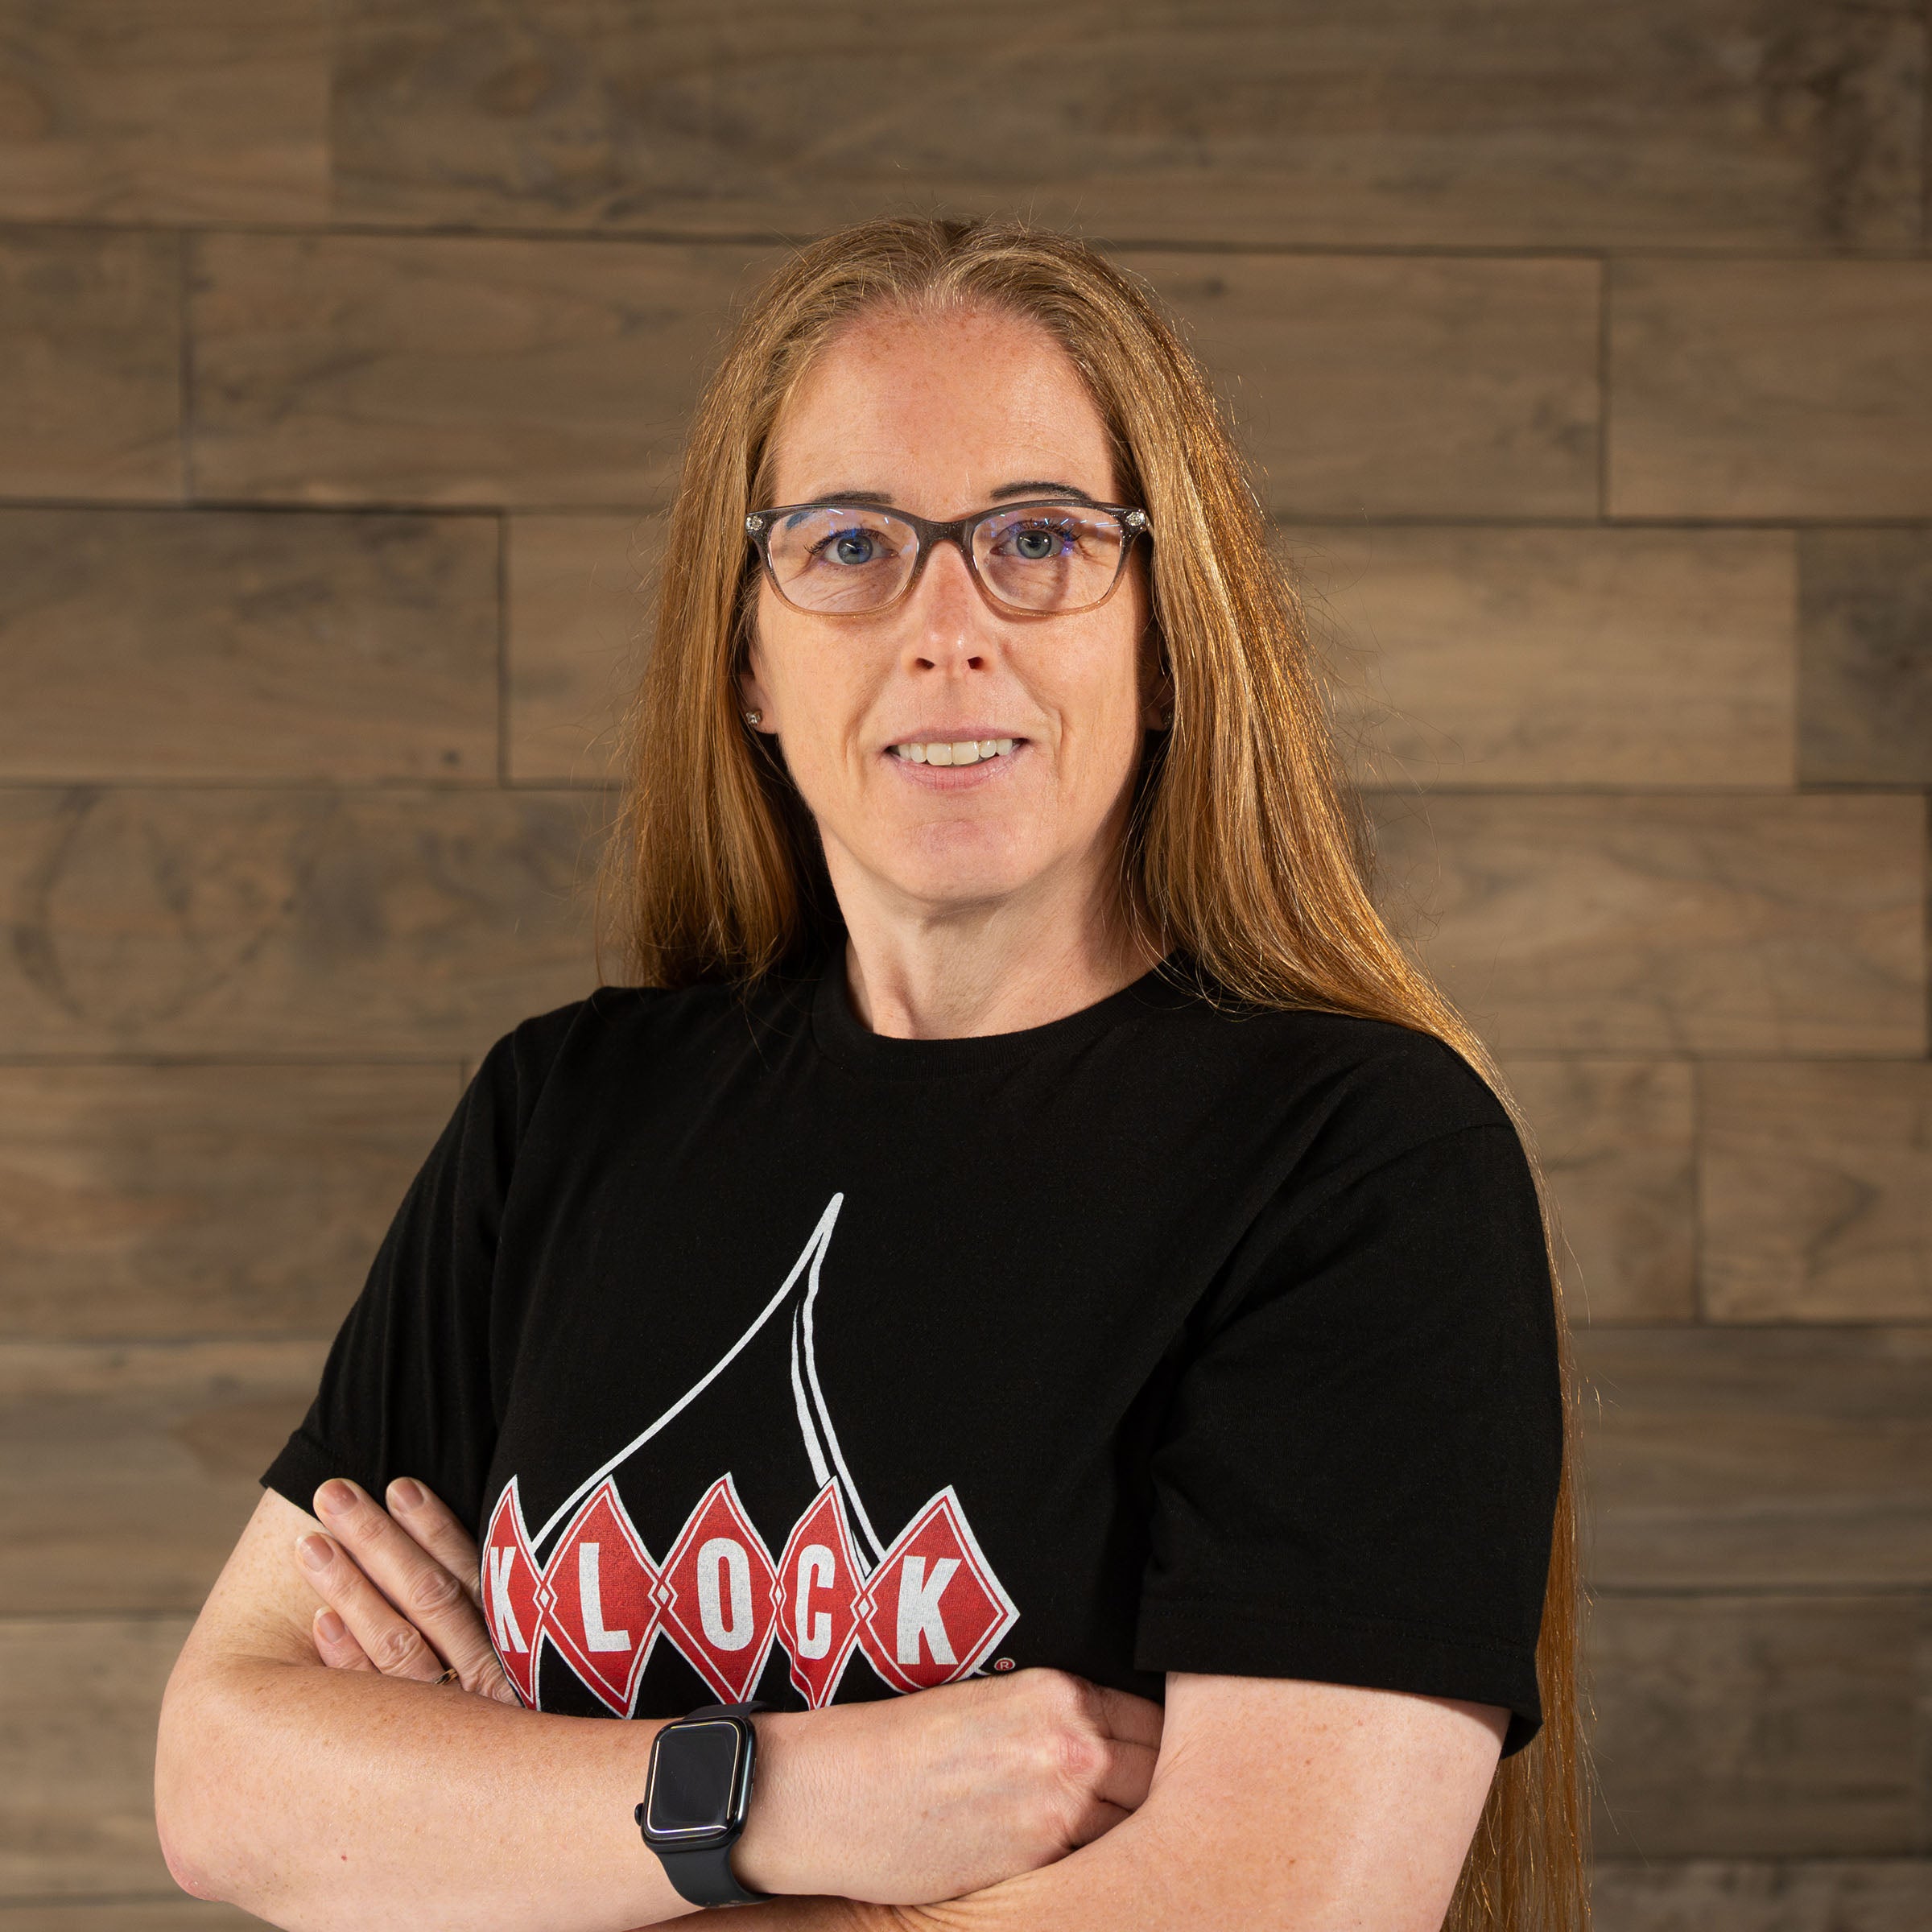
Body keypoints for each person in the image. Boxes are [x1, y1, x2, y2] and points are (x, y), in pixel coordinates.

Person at [155, 217, 1583, 1932]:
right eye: (849, 544)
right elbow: (227, 1782)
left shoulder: (1360, 1164)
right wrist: (785, 1801)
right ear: (748, 656)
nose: (946, 628)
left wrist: (501, 1825)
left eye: (1040, 539)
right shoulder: (565, 1115)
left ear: (1167, 630)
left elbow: (1272, 1909)